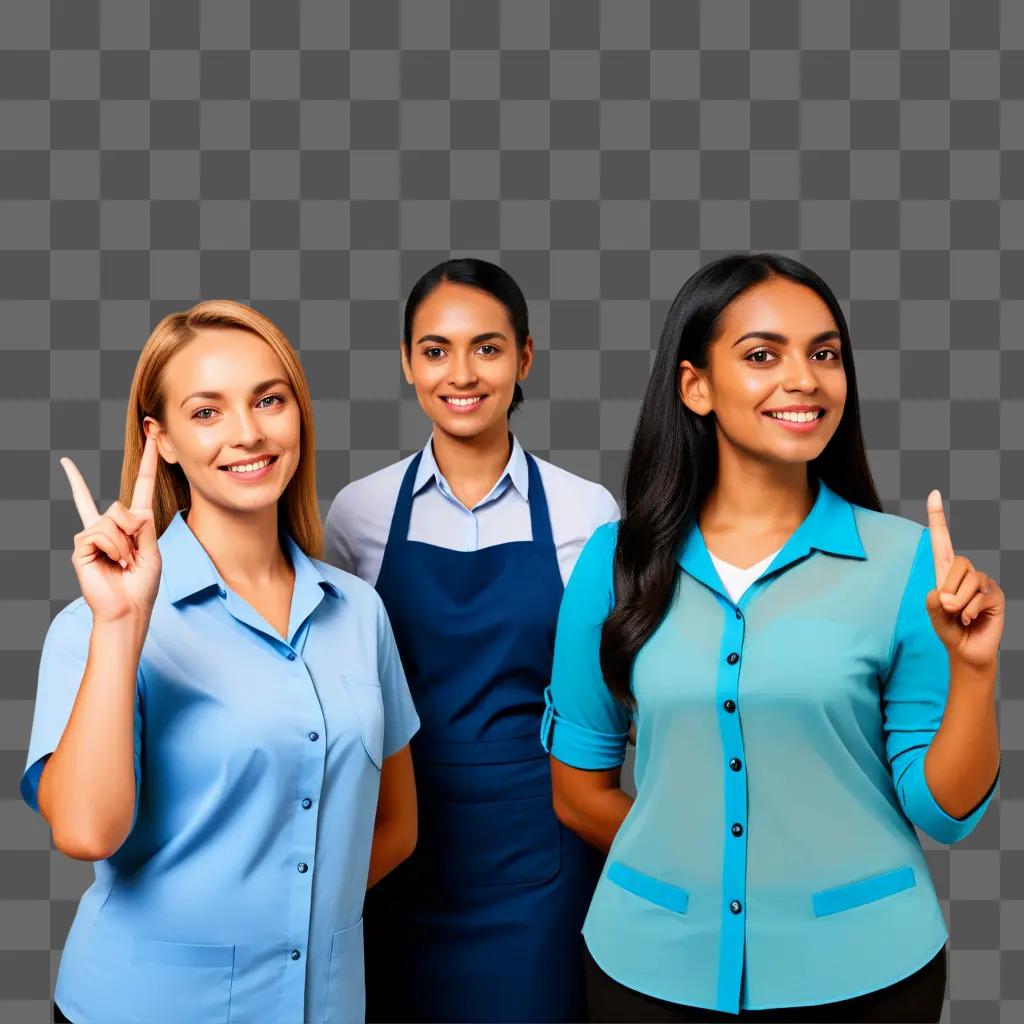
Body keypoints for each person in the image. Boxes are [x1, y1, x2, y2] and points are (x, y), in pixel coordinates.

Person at [542, 254, 1003, 1023]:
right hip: (649, 969)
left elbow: (943, 811)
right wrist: (701, 870)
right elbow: (577, 790)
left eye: (824, 353)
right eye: (763, 355)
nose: (806, 379)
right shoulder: (612, 566)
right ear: (695, 385)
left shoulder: (909, 563)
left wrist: (977, 672)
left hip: (866, 975)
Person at [22, 300, 419, 1024]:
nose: (248, 433)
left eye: (270, 399)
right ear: (161, 440)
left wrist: (292, 926)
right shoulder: (93, 625)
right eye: (206, 412)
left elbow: (396, 823)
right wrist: (122, 626)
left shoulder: (360, 612)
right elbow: (84, 832)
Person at [324, 258, 620, 1022]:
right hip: (395, 842)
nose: (461, 373)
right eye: (435, 349)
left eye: (487, 348)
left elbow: (611, 697)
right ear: (407, 362)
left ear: (524, 358)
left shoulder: (587, 513)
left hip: (541, 856)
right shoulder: (359, 512)